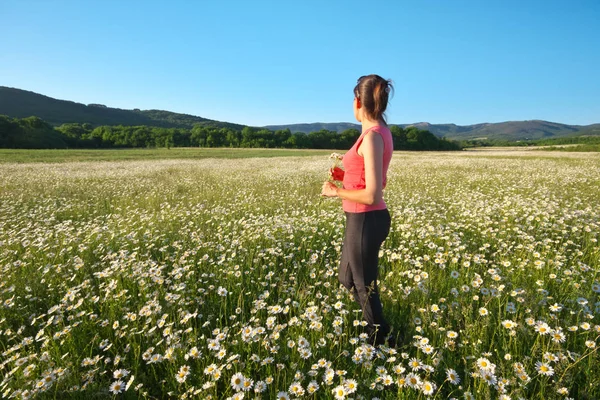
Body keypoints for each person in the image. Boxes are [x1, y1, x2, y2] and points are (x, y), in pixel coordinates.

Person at [321, 74, 396, 347]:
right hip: (360, 217)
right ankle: (374, 330)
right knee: (348, 278)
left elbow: (372, 193)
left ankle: (380, 339)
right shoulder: (376, 133)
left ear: (357, 102)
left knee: (364, 286)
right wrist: (346, 174)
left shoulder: (373, 137)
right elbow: (367, 175)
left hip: (367, 218)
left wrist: (335, 191)